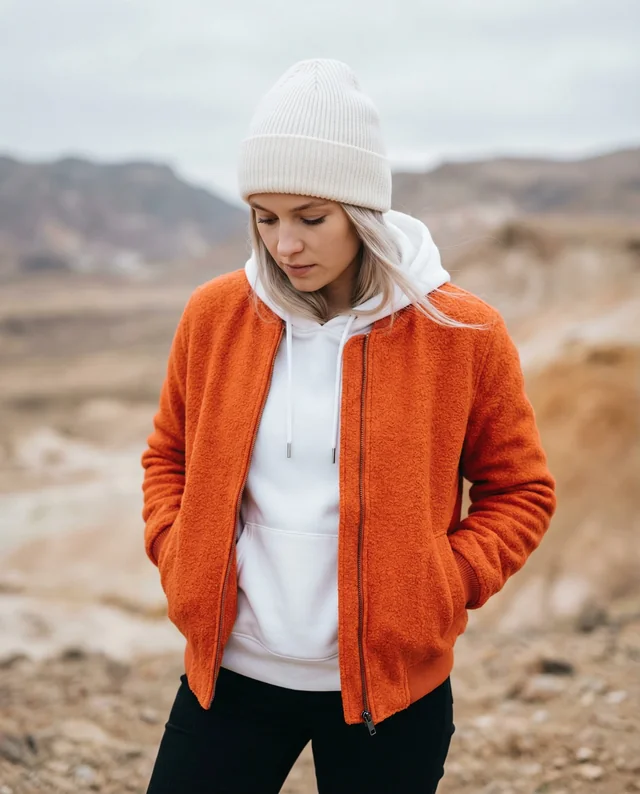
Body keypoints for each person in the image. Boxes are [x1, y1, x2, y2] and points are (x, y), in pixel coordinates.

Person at [141, 58, 556, 794]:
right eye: (265, 218)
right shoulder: (214, 316)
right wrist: (179, 555)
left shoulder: (461, 332)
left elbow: (521, 490)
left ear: (361, 211)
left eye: (310, 218)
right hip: (231, 678)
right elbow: (168, 455)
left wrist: (439, 584)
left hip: (391, 696)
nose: (284, 245)